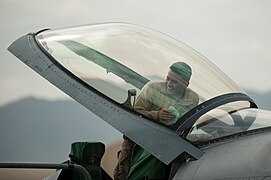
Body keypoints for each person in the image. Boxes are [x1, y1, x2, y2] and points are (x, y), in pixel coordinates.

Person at [114, 62, 199, 180]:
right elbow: (135, 115)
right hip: (140, 141)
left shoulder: (192, 99)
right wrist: (157, 115)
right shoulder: (152, 89)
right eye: (168, 79)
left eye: (175, 82)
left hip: (170, 146)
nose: (169, 84)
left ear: (186, 84)